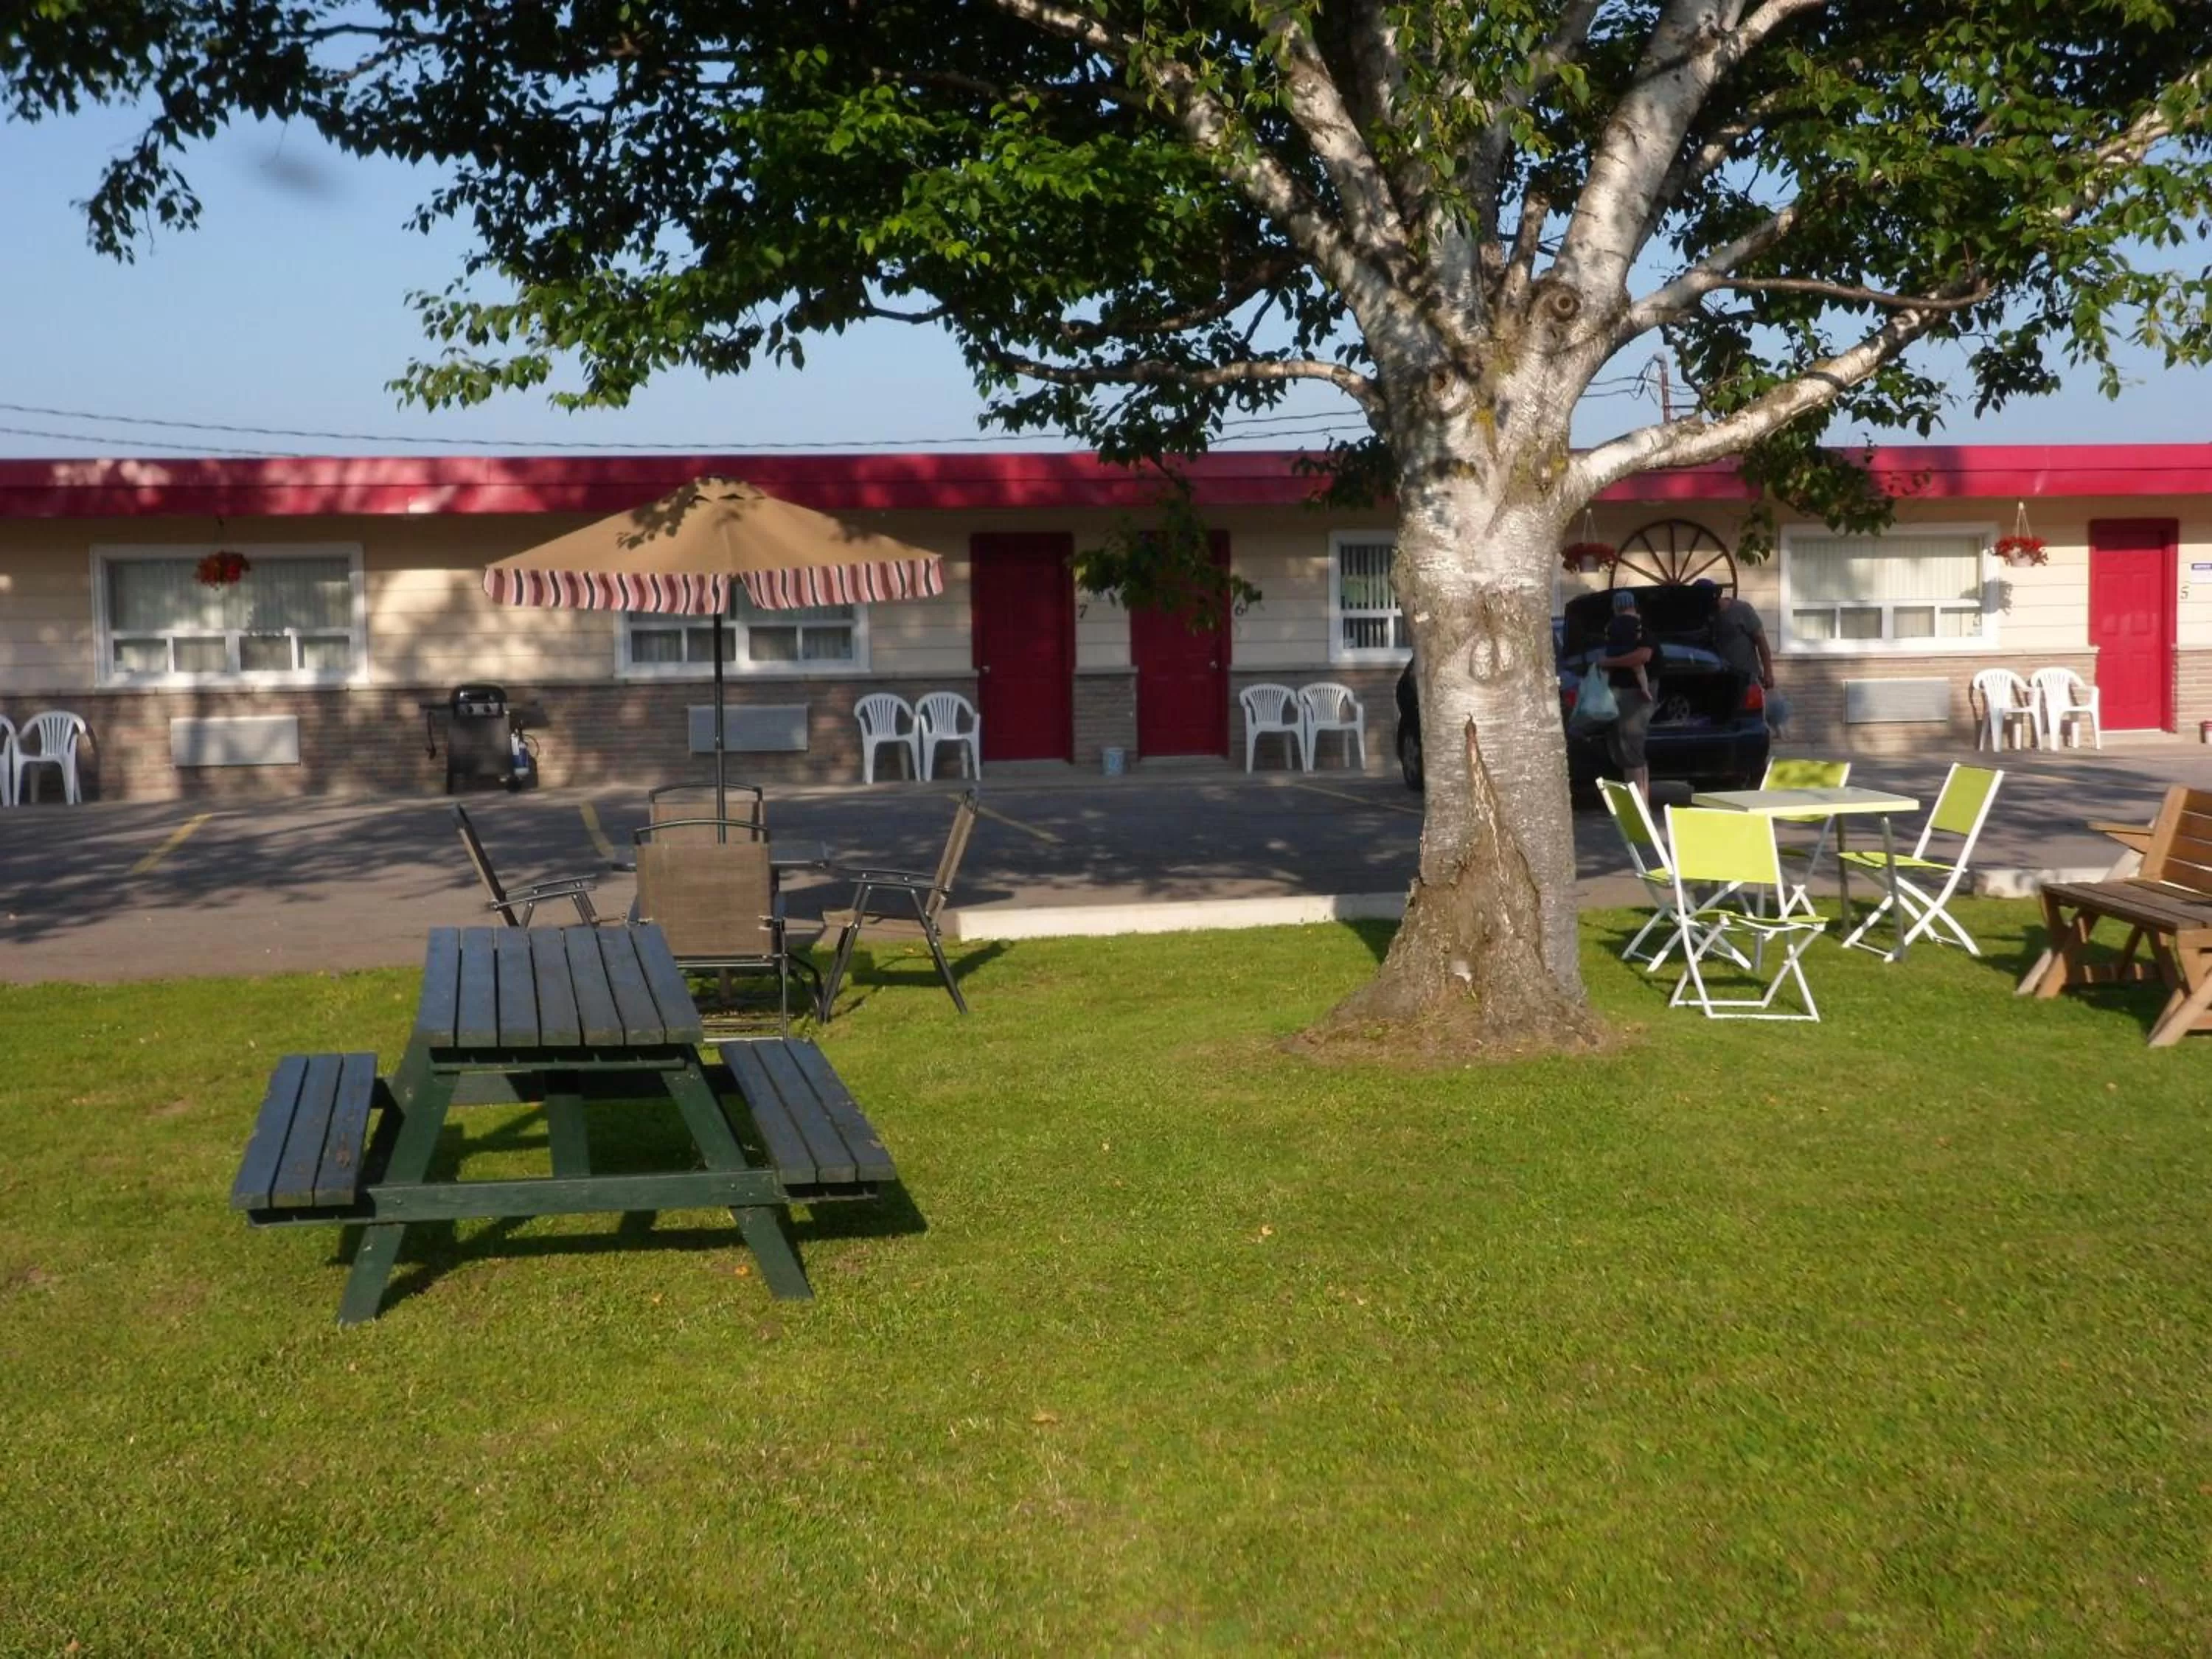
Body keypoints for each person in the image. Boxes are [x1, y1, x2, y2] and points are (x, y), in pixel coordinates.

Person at [1693, 576, 1787, 734]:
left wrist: (1769, 673)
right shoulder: (1704, 617)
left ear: (1716, 597)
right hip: (1719, 682)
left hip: (1747, 679)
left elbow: (1761, 642)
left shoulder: (1742, 610)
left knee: (1752, 725)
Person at [1596, 588, 1658, 799]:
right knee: (1628, 748)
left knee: (1631, 747)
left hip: (1632, 694)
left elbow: (1642, 657)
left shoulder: (1634, 630)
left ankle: (1639, 802)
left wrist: (1608, 663)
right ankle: (1642, 801)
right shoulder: (1637, 626)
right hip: (1625, 690)